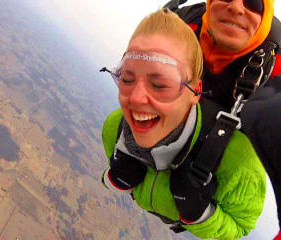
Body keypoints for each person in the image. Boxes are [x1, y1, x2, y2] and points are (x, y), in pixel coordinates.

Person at [100, 9, 266, 239]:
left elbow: (240, 227)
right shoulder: (114, 127)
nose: (136, 99)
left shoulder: (238, 162)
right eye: (126, 79)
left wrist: (199, 215)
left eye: (160, 85)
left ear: (196, 91)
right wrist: (114, 177)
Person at [163, 0, 281, 238]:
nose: (237, 7)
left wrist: (200, 215)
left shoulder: (277, 67)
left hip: (222, 182)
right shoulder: (181, 24)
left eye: (253, 2)